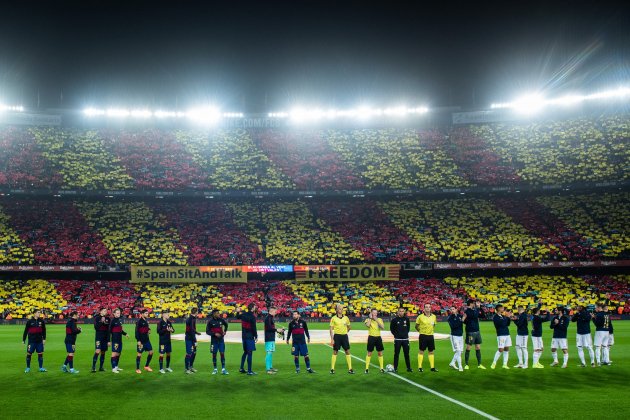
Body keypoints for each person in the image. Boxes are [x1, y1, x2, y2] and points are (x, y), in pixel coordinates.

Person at [329, 303, 354, 374]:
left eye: (342, 308)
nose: (341, 310)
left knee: (347, 351)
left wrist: (346, 331)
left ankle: (350, 369)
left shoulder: (346, 318)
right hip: (337, 336)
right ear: (336, 310)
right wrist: (332, 339)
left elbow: (349, 327)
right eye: (339, 308)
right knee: (335, 351)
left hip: (344, 336)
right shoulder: (333, 318)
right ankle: (332, 369)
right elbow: (330, 329)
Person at [236, 303, 258, 375]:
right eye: (255, 307)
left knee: (245, 352)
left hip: (244, 337)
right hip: (250, 337)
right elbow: (254, 327)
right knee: (250, 353)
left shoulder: (244, 314)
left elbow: (237, 317)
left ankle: (241, 368)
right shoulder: (252, 316)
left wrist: (238, 311)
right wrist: (256, 336)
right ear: (252, 308)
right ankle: (249, 371)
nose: (255, 308)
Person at [463, 300, 485, 369]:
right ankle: (466, 364)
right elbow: (473, 316)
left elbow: (483, 315)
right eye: (473, 303)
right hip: (470, 332)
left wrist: (480, 308)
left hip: (477, 331)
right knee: (468, 347)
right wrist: (478, 308)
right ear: (470, 304)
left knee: (478, 347)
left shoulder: (476, 310)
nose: (475, 304)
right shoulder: (467, 311)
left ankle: (479, 364)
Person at [415, 303, 438, 372]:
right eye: (426, 307)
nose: (428, 308)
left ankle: (432, 367)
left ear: (431, 308)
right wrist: (420, 331)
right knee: (421, 351)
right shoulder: (420, 317)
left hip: (431, 336)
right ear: (424, 309)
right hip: (423, 336)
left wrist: (430, 331)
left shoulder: (434, 316)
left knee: (431, 351)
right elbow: (416, 326)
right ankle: (420, 367)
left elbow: (434, 325)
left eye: (429, 307)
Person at [23, 309, 46, 373]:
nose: (39, 314)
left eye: (39, 312)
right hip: (31, 341)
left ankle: (41, 368)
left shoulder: (42, 321)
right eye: (38, 312)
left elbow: (44, 330)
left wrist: (44, 339)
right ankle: (28, 368)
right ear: (34, 313)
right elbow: (26, 331)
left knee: (40, 354)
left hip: (39, 341)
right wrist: (24, 339)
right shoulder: (29, 321)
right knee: (29, 354)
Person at [206, 309, 229, 375]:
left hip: (221, 340)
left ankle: (223, 369)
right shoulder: (210, 321)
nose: (219, 314)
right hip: (214, 341)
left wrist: (225, 331)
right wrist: (214, 334)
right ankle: (215, 369)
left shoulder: (221, 320)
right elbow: (207, 331)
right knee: (214, 355)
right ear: (214, 314)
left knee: (222, 353)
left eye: (219, 313)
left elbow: (226, 325)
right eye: (217, 313)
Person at [390, 307, 412, 372]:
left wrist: (404, 334)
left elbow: (408, 328)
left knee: (407, 354)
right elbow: (392, 329)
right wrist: (396, 335)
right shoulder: (394, 320)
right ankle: (395, 368)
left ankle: (409, 368)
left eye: (402, 311)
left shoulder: (407, 319)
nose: (401, 312)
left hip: (405, 339)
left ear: (404, 312)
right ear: (398, 312)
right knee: (396, 354)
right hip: (397, 340)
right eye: (400, 311)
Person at [264, 306, 284, 374]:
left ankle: (270, 367)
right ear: (271, 311)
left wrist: (279, 330)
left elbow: (271, 328)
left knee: (270, 352)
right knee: (269, 353)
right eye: (275, 312)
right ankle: (268, 369)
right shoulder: (268, 318)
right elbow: (269, 328)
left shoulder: (270, 318)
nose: (275, 313)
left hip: (270, 337)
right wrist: (277, 330)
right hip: (269, 338)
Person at [364, 308, 385, 374]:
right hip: (371, 337)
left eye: (376, 313)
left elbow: (382, 327)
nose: (375, 314)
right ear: (371, 313)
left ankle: (381, 368)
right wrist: (370, 318)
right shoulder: (368, 319)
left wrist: (377, 320)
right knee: (369, 353)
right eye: (374, 313)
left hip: (378, 337)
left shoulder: (379, 319)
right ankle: (367, 368)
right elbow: (367, 325)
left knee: (380, 353)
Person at [490, 304, 512, 370]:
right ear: (499, 309)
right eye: (502, 308)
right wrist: (507, 317)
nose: (503, 309)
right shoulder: (495, 317)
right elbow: (502, 324)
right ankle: (494, 363)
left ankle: (505, 364)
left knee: (507, 349)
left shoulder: (503, 316)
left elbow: (507, 324)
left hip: (507, 334)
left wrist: (508, 318)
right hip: (501, 335)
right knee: (501, 349)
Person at [109, 308, 129, 373]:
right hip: (115, 340)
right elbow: (109, 331)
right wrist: (109, 340)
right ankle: (113, 368)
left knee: (118, 353)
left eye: (119, 313)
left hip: (119, 339)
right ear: (114, 314)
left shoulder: (119, 320)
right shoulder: (112, 321)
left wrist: (125, 334)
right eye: (117, 313)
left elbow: (120, 330)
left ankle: (116, 366)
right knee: (114, 353)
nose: (118, 314)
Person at [134, 309, 154, 374]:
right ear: (142, 314)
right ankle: (137, 369)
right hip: (141, 341)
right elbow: (136, 332)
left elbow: (147, 329)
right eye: (145, 313)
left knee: (151, 352)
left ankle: (146, 366)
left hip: (147, 340)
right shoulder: (139, 322)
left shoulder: (146, 321)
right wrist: (138, 340)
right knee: (139, 354)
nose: (147, 314)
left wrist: (149, 330)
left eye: (147, 313)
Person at [92, 307, 110, 372]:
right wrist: (101, 322)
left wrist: (108, 340)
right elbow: (96, 328)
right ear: (100, 312)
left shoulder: (108, 319)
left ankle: (101, 367)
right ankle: (93, 367)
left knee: (103, 352)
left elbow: (108, 330)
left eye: (106, 311)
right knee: (97, 351)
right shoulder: (97, 318)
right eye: (104, 311)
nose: (106, 312)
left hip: (105, 338)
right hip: (98, 338)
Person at [157, 309, 175, 374]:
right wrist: (166, 329)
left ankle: (167, 367)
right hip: (162, 341)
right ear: (163, 315)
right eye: (167, 314)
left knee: (168, 354)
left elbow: (173, 330)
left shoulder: (169, 322)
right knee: (161, 354)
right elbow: (158, 332)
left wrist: (171, 330)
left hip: (168, 341)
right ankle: (161, 368)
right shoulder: (160, 323)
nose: (168, 315)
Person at [447, 306, 464, 371]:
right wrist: (461, 321)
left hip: (460, 336)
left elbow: (464, 321)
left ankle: (452, 363)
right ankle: (460, 367)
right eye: (451, 309)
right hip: (454, 336)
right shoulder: (450, 318)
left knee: (459, 352)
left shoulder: (460, 316)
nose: (452, 310)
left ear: (456, 309)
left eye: (453, 309)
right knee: (458, 351)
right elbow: (453, 326)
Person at [185, 307, 201, 374]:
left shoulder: (192, 318)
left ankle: (190, 367)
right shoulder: (191, 319)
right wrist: (195, 340)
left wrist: (196, 333)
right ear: (196, 312)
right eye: (197, 311)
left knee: (194, 352)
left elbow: (192, 329)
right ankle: (187, 369)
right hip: (190, 338)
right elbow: (191, 329)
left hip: (192, 338)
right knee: (189, 353)